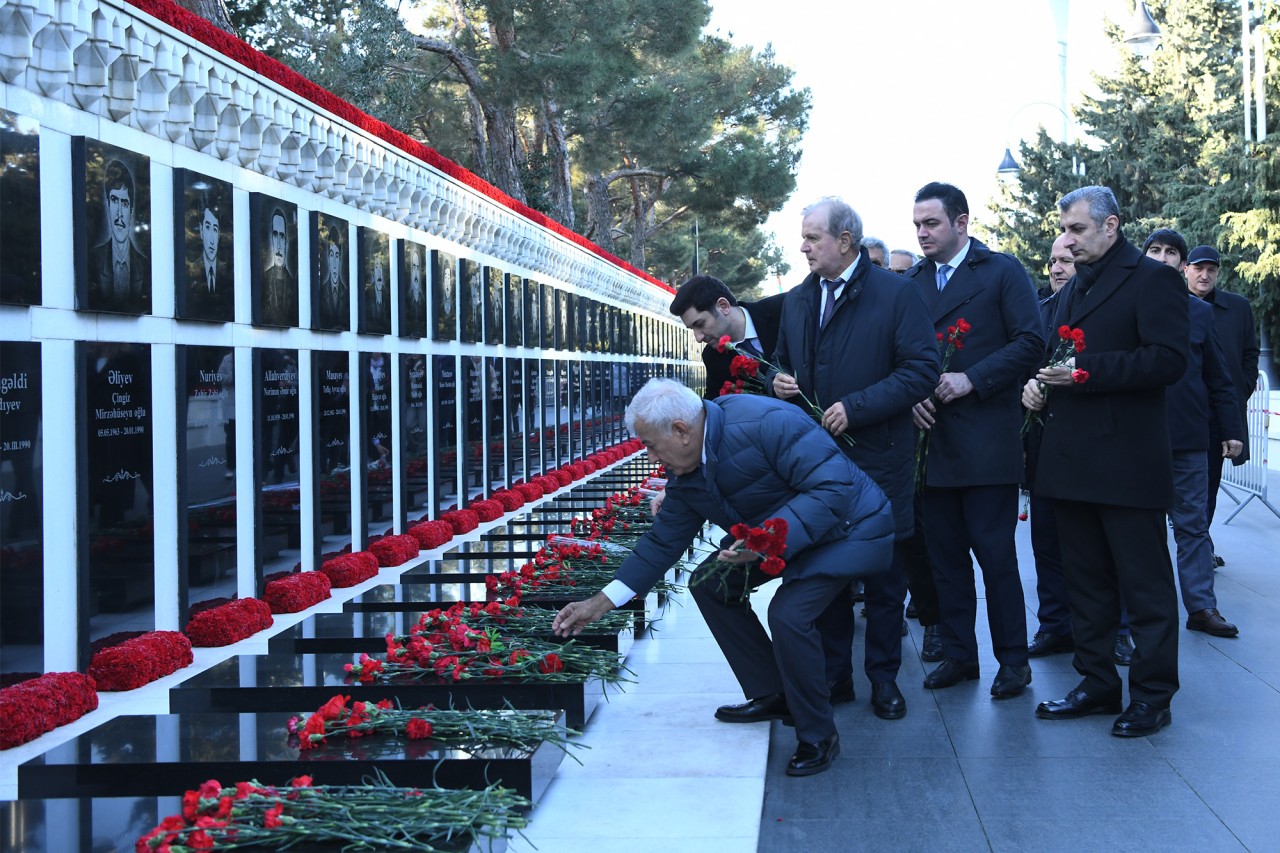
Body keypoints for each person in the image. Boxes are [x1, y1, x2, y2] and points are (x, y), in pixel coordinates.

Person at [552, 379, 895, 776]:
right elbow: (661, 543)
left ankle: (818, 733)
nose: (650, 456)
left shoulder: (766, 422)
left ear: (681, 430)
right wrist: (601, 602)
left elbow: (833, 488)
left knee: (789, 614)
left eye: (651, 444)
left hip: (850, 528)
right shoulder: (687, 471)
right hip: (780, 536)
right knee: (710, 583)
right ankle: (777, 691)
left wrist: (766, 542)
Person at [1024, 185, 1187, 738]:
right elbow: (1057, 357)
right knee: (1086, 586)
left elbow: (1167, 360)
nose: (1066, 242)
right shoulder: (1072, 289)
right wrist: (1038, 385)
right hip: (1070, 461)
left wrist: (1086, 373)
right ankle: (1096, 683)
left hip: (1127, 464)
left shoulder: (1155, 279)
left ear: (1111, 225)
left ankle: (1152, 696)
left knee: (1144, 589)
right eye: (1065, 230)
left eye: (1076, 230)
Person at [769, 197, 939, 720]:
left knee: (884, 577)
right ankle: (835, 676)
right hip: (816, 466)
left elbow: (921, 370)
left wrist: (857, 407)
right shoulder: (799, 299)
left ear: (845, 241)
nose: (802, 247)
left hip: (878, 459)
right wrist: (776, 380)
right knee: (826, 570)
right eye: (803, 237)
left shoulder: (895, 294)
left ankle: (884, 679)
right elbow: (779, 362)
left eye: (812, 238)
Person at [907, 181, 1043, 699]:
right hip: (930, 445)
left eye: (932, 223)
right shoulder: (911, 282)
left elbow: (1031, 341)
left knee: (996, 558)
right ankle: (961, 655)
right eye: (917, 224)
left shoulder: (1001, 272)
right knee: (944, 560)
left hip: (987, 442)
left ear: (961, 223)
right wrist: (911, 395)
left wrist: (973, 378)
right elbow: (900, 354)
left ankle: (1013, 662)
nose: (922, 232)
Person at [1142, 231, 1243, 638]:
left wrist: (1232, 429)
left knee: (1193, 528)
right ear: (1144, 257)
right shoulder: (1127, 306)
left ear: (1182, 266)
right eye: (1155, 251)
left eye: (1172, 253)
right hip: (1138, 441)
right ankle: (1137, 615)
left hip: (1188, 440)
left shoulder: (1199, 314)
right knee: (1140, 532)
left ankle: (1202, 607)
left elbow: (1219, 378)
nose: (1164, 258)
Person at [1184, 245, 1260, 567]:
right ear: (1186, 269)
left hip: (1217, 414)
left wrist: (1240, 389)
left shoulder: (1238, 308)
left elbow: (1250, 354)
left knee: (1209, 486)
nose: (1205, 275)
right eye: (1198, 268)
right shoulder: (1168, 306)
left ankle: (1200, 547)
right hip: (1178, 412)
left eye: (1211, 270)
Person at [1025, 233, 1076, 659]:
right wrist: (1024, 389)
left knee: (1099, 546)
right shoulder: (1035, 314)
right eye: (1052, 261)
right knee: (1046, 539)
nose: (1057, 268)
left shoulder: (1098, 312)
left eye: (1067, 260)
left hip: (1092, 448)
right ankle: (1054, 624)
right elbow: (1019, 367)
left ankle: (1114, 629)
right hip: (1042, 445)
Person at [669, 274, 785, 400]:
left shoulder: (783, 308)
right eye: (692, 329)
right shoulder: (712, 357)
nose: (698, 338)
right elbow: (715, 403)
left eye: (700, 324)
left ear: (723, 306)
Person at [88, 159, 148, 313]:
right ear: (108, 205)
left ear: (132, 210)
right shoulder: (95, 257)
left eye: (125, 204)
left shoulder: (143, 264)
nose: (120, 214)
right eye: (115, 202)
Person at [186, 186, 231, 321]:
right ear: (200, 230)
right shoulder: (191, 271)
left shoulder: (225, 273)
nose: (211, 240)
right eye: (207, 227)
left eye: (215, 229)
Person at [260, 207, 297, 326]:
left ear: (286, 242)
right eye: (275, 235)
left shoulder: (293, 283)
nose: (279, 245)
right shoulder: (263, 279)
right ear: (271, 238)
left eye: (282, 236)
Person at [318, 224, 348, 329]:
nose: (334, 263)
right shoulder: (321, 290)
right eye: (331, 255)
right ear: (328, 259)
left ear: (340, 259)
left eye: (337, 256)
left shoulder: (346, 292)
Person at [364, 255, 391, 334]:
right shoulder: (367, 294)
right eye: (376, 268)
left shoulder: (388, 296)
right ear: (372, 273)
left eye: (381, 268)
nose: (379, 272)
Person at [403, 244, 426, 335]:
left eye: (417, 267)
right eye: (413, 267)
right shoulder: (406, 298)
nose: (416, 272)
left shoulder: (424, 299)